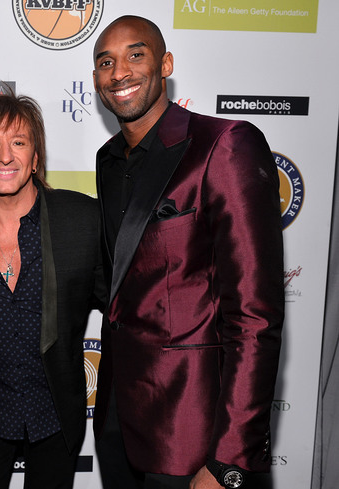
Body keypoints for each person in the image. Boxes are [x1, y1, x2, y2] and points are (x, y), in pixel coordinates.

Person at [91, 15, 284, 489]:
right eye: (105, 62)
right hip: (118, 425)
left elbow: (254, 315)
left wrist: (229, 458)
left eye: (135, 55)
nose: (119, 72)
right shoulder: (108, 160)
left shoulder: (224, 145)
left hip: (191, 431)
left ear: (165, 64)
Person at [0, 91, 106, 489]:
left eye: (18, 142)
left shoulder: (82, 220)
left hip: (56, 414)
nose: (5, 156)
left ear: (36, 156)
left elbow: (125, 300)